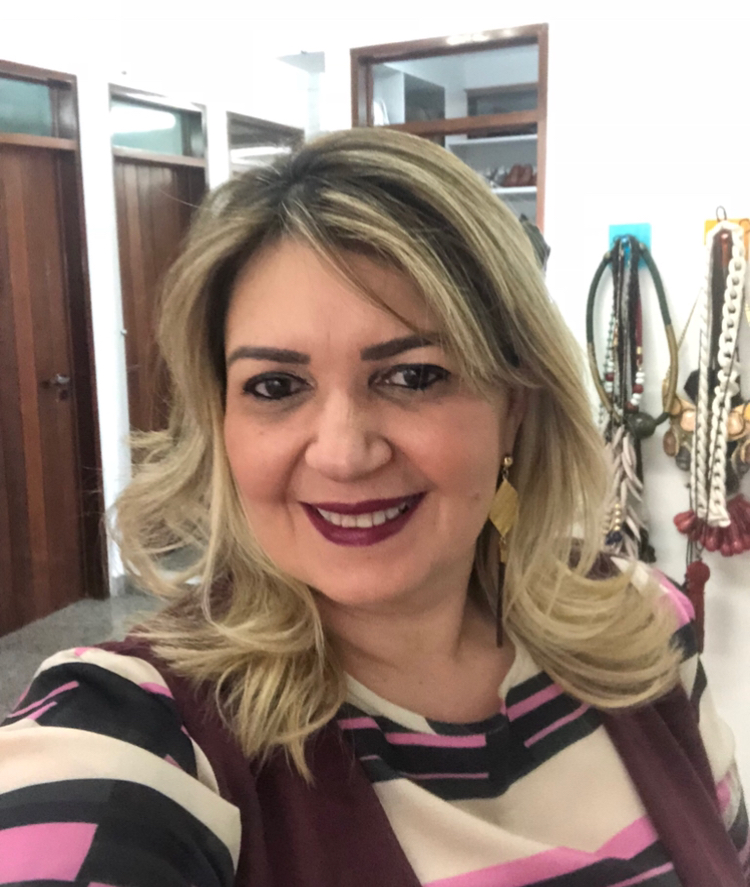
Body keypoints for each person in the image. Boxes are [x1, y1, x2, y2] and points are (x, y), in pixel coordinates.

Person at [0, 129, 746, 887]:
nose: (343, 454)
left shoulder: (640, 624)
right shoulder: (136, 728)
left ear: (514, 407)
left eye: (413, 376)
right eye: (276, 386)